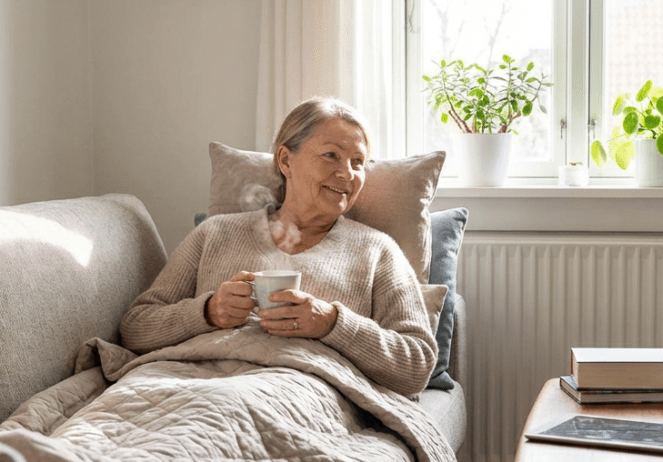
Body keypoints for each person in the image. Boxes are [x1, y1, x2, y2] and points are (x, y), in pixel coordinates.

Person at [119, 97, 437, 397]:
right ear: (286, 160)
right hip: (187, 387)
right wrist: (208, 311)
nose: (347, 174)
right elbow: (135, 329)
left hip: (297, 398)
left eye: (358, 162)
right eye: (331, 155)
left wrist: (331, 324)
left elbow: (417, 366)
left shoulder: (377, 252)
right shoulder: (214, 234)